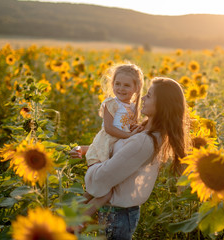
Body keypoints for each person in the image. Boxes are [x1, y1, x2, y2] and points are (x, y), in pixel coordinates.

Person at [71, 77, 191, 239]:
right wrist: (85, 150)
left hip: (117, 217)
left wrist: (92, 164)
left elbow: (100, 180)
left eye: (148, 95)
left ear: (161, 105)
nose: (142, 98)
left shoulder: (144, 141)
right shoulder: (143, 133)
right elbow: (116, 153)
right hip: (114, 215)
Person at [81, 63, 145, 217]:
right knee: (102, 191)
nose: (121, 88)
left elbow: (128, 127)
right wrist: (130, 136)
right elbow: (109, 129)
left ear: (136, 88)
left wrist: (136, 130)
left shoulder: (133, 107)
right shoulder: (111, 103)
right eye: (117, 84)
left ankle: (71, 214)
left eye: (126, 85)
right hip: (104, 147)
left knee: (98, 191)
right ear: (112, 84)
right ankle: (78, 218)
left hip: (117, 150)